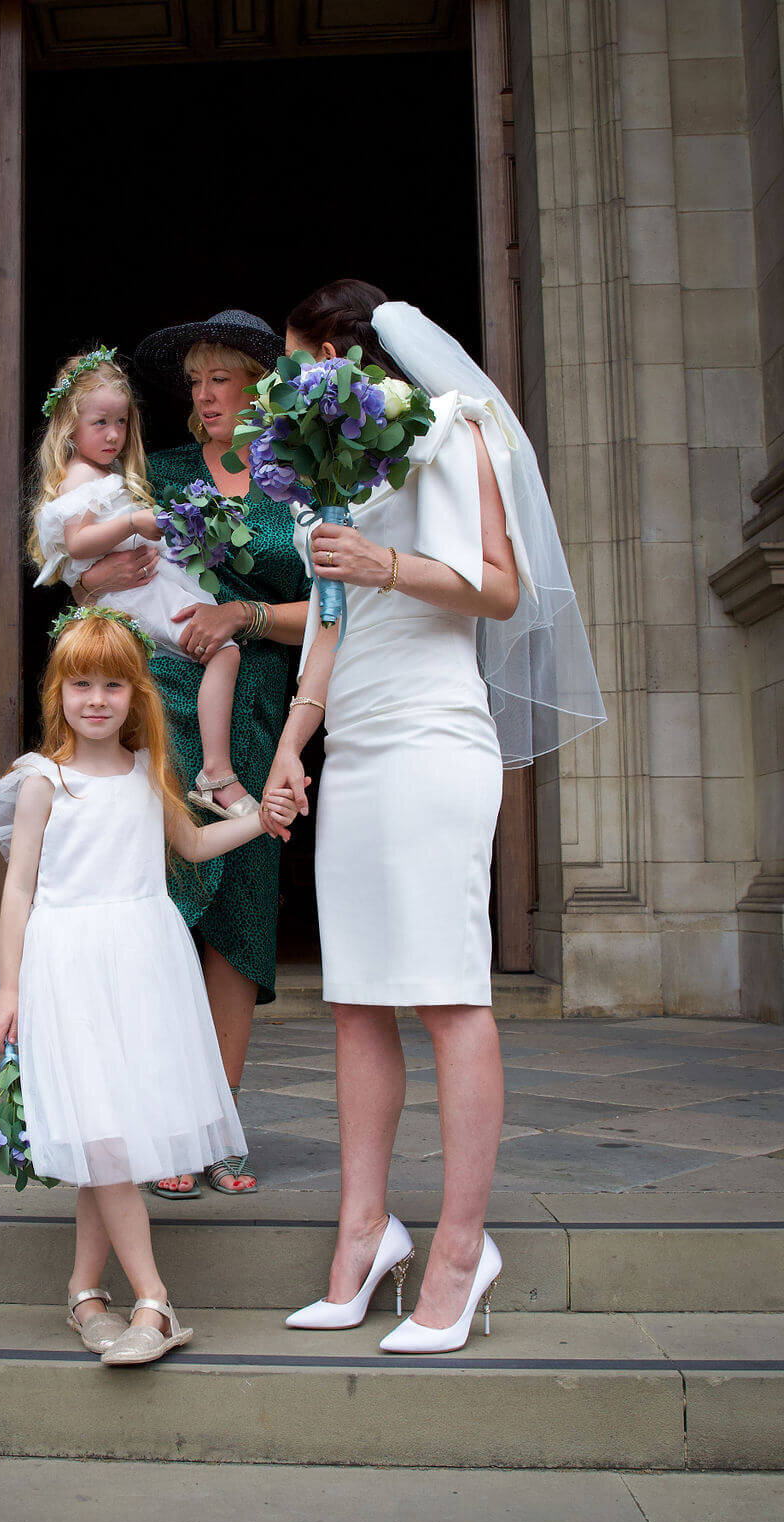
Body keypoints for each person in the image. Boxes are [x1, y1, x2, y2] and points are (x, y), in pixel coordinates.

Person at [263, 280, 604, 1353]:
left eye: (293, 359)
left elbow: (499, 588)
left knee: (449, 996)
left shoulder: (448, 429)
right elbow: (329, 618)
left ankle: (461, 1248)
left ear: (341, 351)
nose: (285, 381)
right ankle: (364, 1233)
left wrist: (387, 563)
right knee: (356, 999)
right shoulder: (331, 468)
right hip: (358, 749)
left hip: (432, 740)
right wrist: (288, 749)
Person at [0, 607, 298, 1364]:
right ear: (58, 692)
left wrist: (262, 820)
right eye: (81, 684)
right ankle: (155, 1302)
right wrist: (8, 986)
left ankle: (84, 1292)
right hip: (69, 964)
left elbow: (192, 841)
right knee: (107, 1138)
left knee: (111, 1130)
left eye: (114, 686)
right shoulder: (44, 783)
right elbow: (20, 889)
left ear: (138, 695)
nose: (96, 700)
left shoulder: (146, 773)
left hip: (144, 962)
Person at [75, 310, 311, 1197]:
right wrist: (99, 579)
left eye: (222, 380)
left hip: (255, 708)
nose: (204, 396)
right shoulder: (158, 474)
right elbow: (84, 570)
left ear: (261, 390)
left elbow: (336, 611)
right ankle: (167, 1120)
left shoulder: (301, 483)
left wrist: (244, 615)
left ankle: (223, 1121)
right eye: (197, 382)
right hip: (158, 705)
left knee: (241, 917)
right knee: (162, 906)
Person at [28, 347, 258, 820]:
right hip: (137, 594)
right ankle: (216, 772)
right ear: (69, 427)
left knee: (223, 650)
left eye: (122, 422)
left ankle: (214, 768)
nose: (114, 435)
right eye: (100, 423)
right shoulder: (81, 478)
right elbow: (78, 543)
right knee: (225, 651)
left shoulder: (105, 474)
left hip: (145, 586)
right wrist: (135, 519)